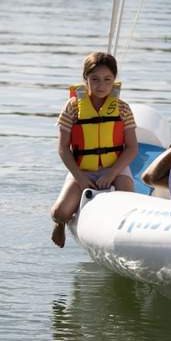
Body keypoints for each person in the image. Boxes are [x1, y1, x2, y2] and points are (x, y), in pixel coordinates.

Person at [50, 52, 138, 248]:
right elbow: (63, 149)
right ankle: (59, 226)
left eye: (108, 80)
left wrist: (113, 173)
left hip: (115, 167)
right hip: (82, 168)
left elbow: (132, 148)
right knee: (60, 213)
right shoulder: (72, 107)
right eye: (95, 79)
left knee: (129, 202)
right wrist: (80, 177)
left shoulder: (123, 109)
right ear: (85, 79)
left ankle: (123, 238)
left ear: (114, 80)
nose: (101, 85)